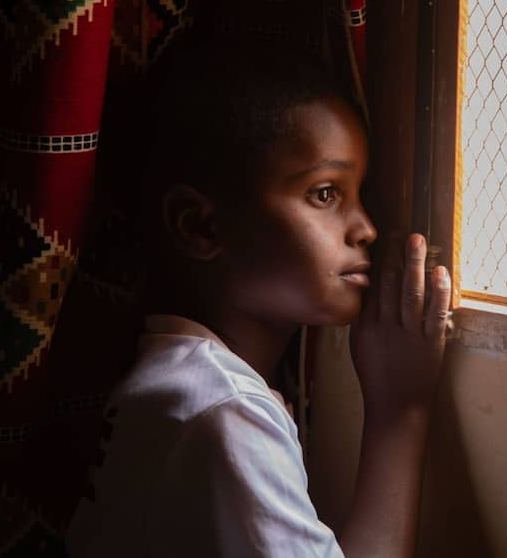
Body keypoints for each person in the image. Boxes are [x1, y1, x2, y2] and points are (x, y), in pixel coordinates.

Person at [66, 44, 452, 557]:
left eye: (359, 193)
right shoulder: (224, 410)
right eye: (324, 193)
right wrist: (400, 414)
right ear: (200, 226)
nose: (366, 228)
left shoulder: (175, 386)